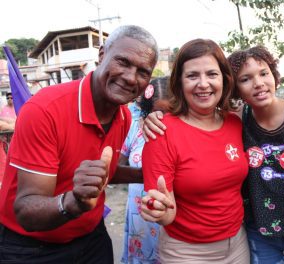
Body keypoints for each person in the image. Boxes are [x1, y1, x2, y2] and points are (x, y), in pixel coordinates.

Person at [143, 45, 284, 263]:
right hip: (234, 238)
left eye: (264, 74)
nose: (258, 83)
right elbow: (166, 207)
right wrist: (156, 114)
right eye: (245, 79)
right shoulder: (234, 120)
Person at [0, 25, 158, 263]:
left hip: (91, 238)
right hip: (31, 248)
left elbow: (105, 173)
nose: (130, 77)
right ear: (102, 54)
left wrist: (151, 174)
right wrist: (73, 202)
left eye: (143, 72)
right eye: (123, 62)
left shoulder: (123, 116)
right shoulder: (45, 110)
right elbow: (26, 211)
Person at [140, 39, 250, 263]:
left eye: (212, 74)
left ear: (224, 79)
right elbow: (167, 211)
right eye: (192, 76)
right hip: (186, 253)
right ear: (179, 82)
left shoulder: (235, 123)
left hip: (238, 244)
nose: (203, 84)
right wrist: (160, 211)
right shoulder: (162, 131)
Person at [120, 77, 168, 264]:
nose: (163, 118)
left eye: (169, 111)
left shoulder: (184, 130)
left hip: (170, 214)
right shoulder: (134, 129)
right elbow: (118, 165)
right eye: (158, 111)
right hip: (139, 213)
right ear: (147, 110)